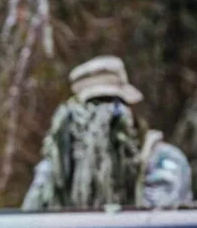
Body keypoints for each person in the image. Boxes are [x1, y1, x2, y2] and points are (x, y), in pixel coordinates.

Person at [22, 55, 193, 210]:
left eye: (113, 103)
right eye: (94, 106)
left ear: (130, 108)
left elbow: (156, 224)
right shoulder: (59, 167)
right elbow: (32, 221)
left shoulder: (162, 160)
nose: (105, 118)